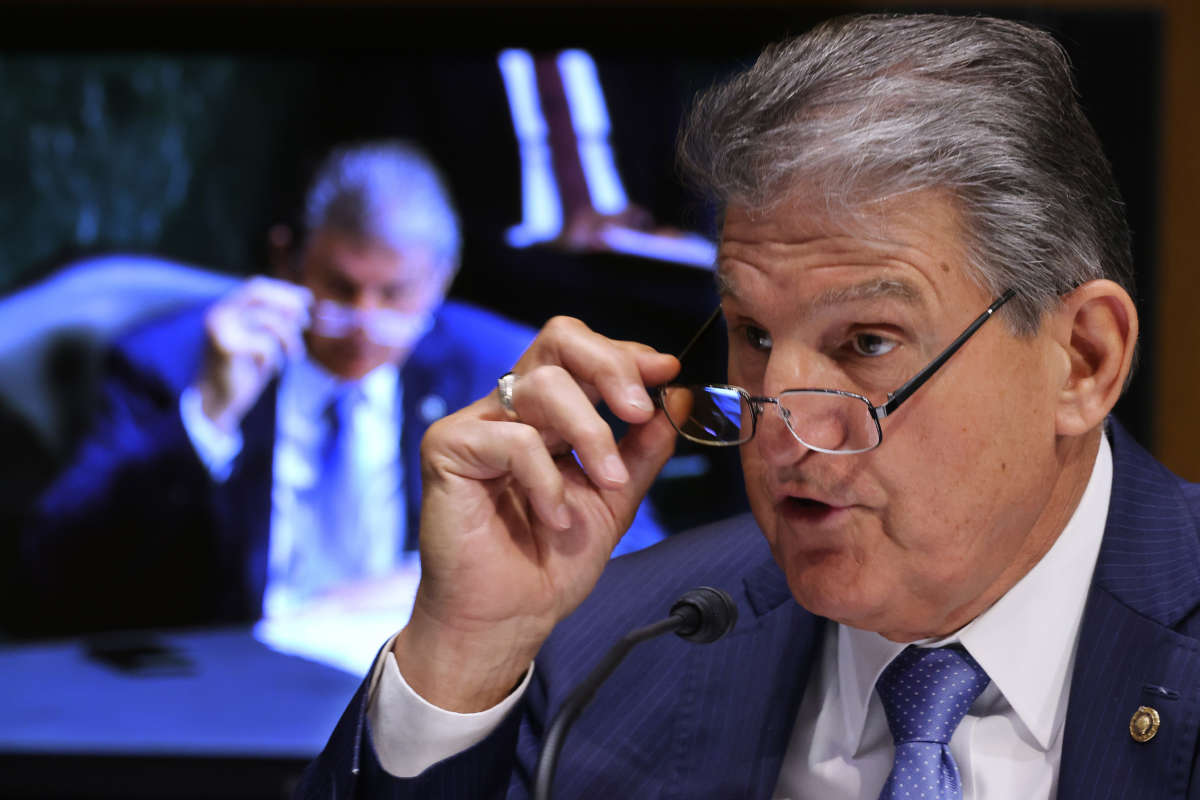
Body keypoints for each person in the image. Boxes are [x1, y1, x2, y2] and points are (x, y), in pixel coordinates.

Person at [298, 14, 1198, 799]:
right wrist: (462, 659)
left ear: (1083, 361)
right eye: (754, 337)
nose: (776, 431)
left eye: (867, 344)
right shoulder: (607, 651)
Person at [20, 139, 664, 635]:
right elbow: (54, 576)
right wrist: (207, 418)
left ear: (442, 278)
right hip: (231, 685)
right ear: (287, 259)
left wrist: (433, 576)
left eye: (394, 293)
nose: (363, 320)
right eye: (340, 286)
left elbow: (629, 543)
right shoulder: (171, 360)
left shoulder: (495, 366)